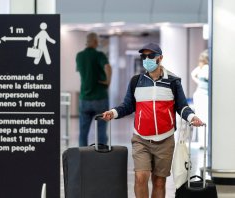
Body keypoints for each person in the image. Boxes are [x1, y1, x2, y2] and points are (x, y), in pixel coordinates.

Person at [101, 43, 203, 198]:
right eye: (143, 56)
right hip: (141, 138)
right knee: (141, 177)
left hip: (165, 139)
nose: (146, 59)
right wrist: (113, 113)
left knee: (159, 182)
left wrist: (191, 117)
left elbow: (182, 106)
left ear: (160, 58)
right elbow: (128, 106)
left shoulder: (173, 81)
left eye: (150, 56)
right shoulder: (136, 81)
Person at [76, 32, 112, 146]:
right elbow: (108, 67)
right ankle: (101, 156)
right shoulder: (99, 55)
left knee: (83, 132)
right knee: (101, 130)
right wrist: (108, 81)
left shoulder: (79, 56)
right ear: (96, 42)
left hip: (84, 98)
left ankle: (82, 156)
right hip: (100, 98)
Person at [191, 49, 209, 149]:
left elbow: (192, 74)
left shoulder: (201, 67)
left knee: (200, 119)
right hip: (204, 96)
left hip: (198, 95)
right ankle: (205, 143)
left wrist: (199, 82)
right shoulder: (207, 67)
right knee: (205, 119)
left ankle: (202, 143)